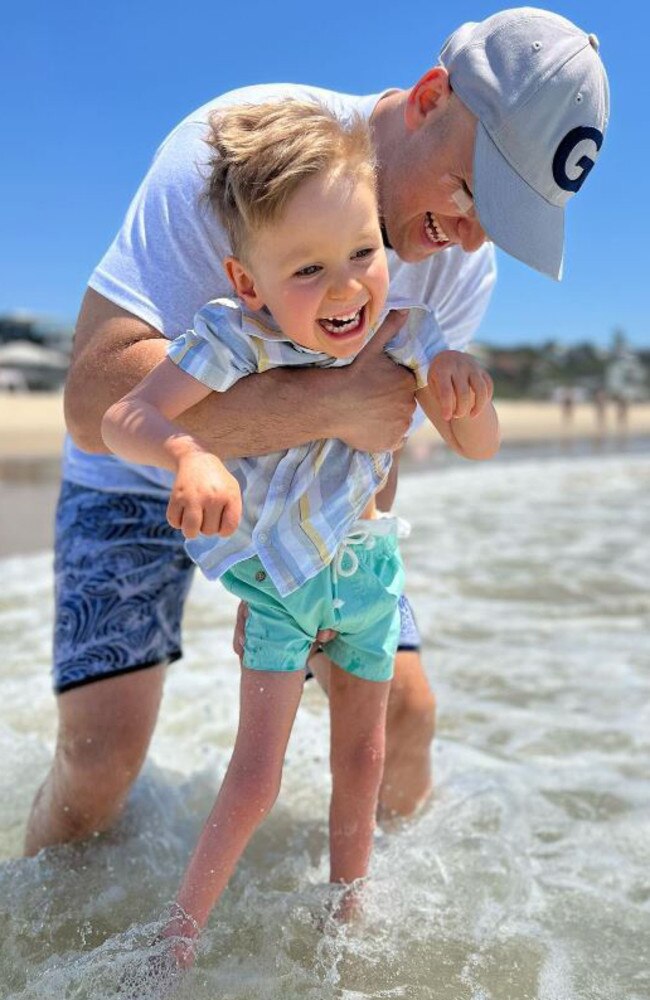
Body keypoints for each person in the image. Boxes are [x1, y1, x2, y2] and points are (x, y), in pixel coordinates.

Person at [24, 8, 609, 856]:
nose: (475, 234)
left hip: (313, 506)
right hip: (136, 472)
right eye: (477, 189)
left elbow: (380, 440)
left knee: (405, 721)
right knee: (97, 769)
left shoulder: (458, 259)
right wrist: (327, 405)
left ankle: (374, 952)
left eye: (510, 220)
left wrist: (302, 572)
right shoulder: (232, 153)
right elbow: (91, 398)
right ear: (431, 98)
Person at [101, 99, 500, 963]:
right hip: (280, 586)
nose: (348, 286)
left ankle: (345, 930)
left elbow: (478, 445)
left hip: (366, 575)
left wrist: (469, 393)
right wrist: (187, 453)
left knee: (362, 759)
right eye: (308, 270)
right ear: (249, 283)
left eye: (363, 253)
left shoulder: (408, 336)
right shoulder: (232, 339)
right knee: (255, 779)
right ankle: (173, 947)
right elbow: (120, 416)